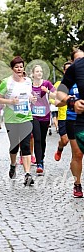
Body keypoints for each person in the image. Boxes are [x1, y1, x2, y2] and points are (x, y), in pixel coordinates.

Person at [0, 56, 35, 186]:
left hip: (26, 117)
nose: (19, 69)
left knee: (25, 146)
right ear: (12, 68)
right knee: (14, 145)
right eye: (16, 67)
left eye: (21, 66)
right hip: (12, 119)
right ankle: (13, 164)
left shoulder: (28, 81)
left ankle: (27, 174)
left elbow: (29, 95)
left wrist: (32, 99)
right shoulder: (6, 82)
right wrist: (10, 101)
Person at [56, 49, 84, 198]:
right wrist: (71, 102)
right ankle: (77, 184)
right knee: (78, 154)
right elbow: (57, 99)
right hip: (74, 120)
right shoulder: (72, 75)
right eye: (77, 59)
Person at [31, 65, 56, 174]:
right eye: (37, 71)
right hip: (33, 115)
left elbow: (56, 95)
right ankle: (39, 163)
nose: (39, 73)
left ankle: (42, 157)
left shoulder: (47, 84)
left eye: (41, 71)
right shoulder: (29, 85)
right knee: (36, 138)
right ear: (33, 74)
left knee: (42, 139)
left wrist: (47, 91)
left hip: (45, 115)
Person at [53, 62, 71, 161]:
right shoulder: (59, 84)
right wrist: (67, 101)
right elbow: (53, 99)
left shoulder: (79, 82)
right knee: (64, 140)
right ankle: (60, 148)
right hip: (63, 117)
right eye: (67, 69)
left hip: (76, 117)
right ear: (64, 71)